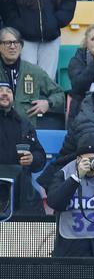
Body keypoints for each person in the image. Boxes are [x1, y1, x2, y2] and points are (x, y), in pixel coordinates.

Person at [0, 26, 66, 127]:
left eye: (16, 43)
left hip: (25, 131)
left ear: (21, 46)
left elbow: (59, 94)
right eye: (8, 43)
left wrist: (48, 103)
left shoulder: (34, 71)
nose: (13, 47)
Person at [0, 80, 48, 215]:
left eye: (8, 91)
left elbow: (40, 155)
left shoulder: (24, 124)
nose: (4, 94)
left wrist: (33, 158)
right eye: (0, 90)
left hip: (21, 189)